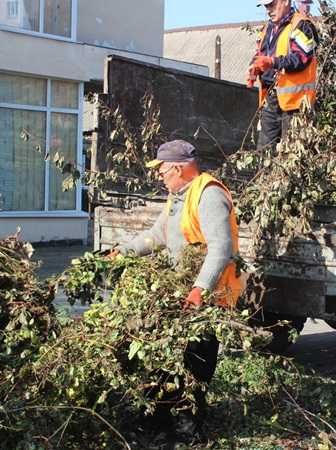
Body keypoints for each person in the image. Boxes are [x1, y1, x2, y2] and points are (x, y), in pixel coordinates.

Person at [113, 139, 243, 438]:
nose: (158, 174)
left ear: (178, 168)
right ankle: (159, 420)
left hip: (207, 296)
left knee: (196, 363)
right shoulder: (179, 195)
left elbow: (221, 249)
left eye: (162, 169)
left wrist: (199, 289)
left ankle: (189, 429)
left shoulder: (209, 195)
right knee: (168, 359)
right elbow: (158, 235)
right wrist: (124, 251)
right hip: (180, 290)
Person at [248, 0, 318, 151]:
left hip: (296, 105)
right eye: (266, 6)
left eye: (272, 4)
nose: (268, 10)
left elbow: (301, 58)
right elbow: (260, 55)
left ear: (285, 1)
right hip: (271, 99)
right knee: (264, 151)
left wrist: (272, 62)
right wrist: (254, 68)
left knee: (292, 153)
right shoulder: (267, 29)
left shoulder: (302, 25)